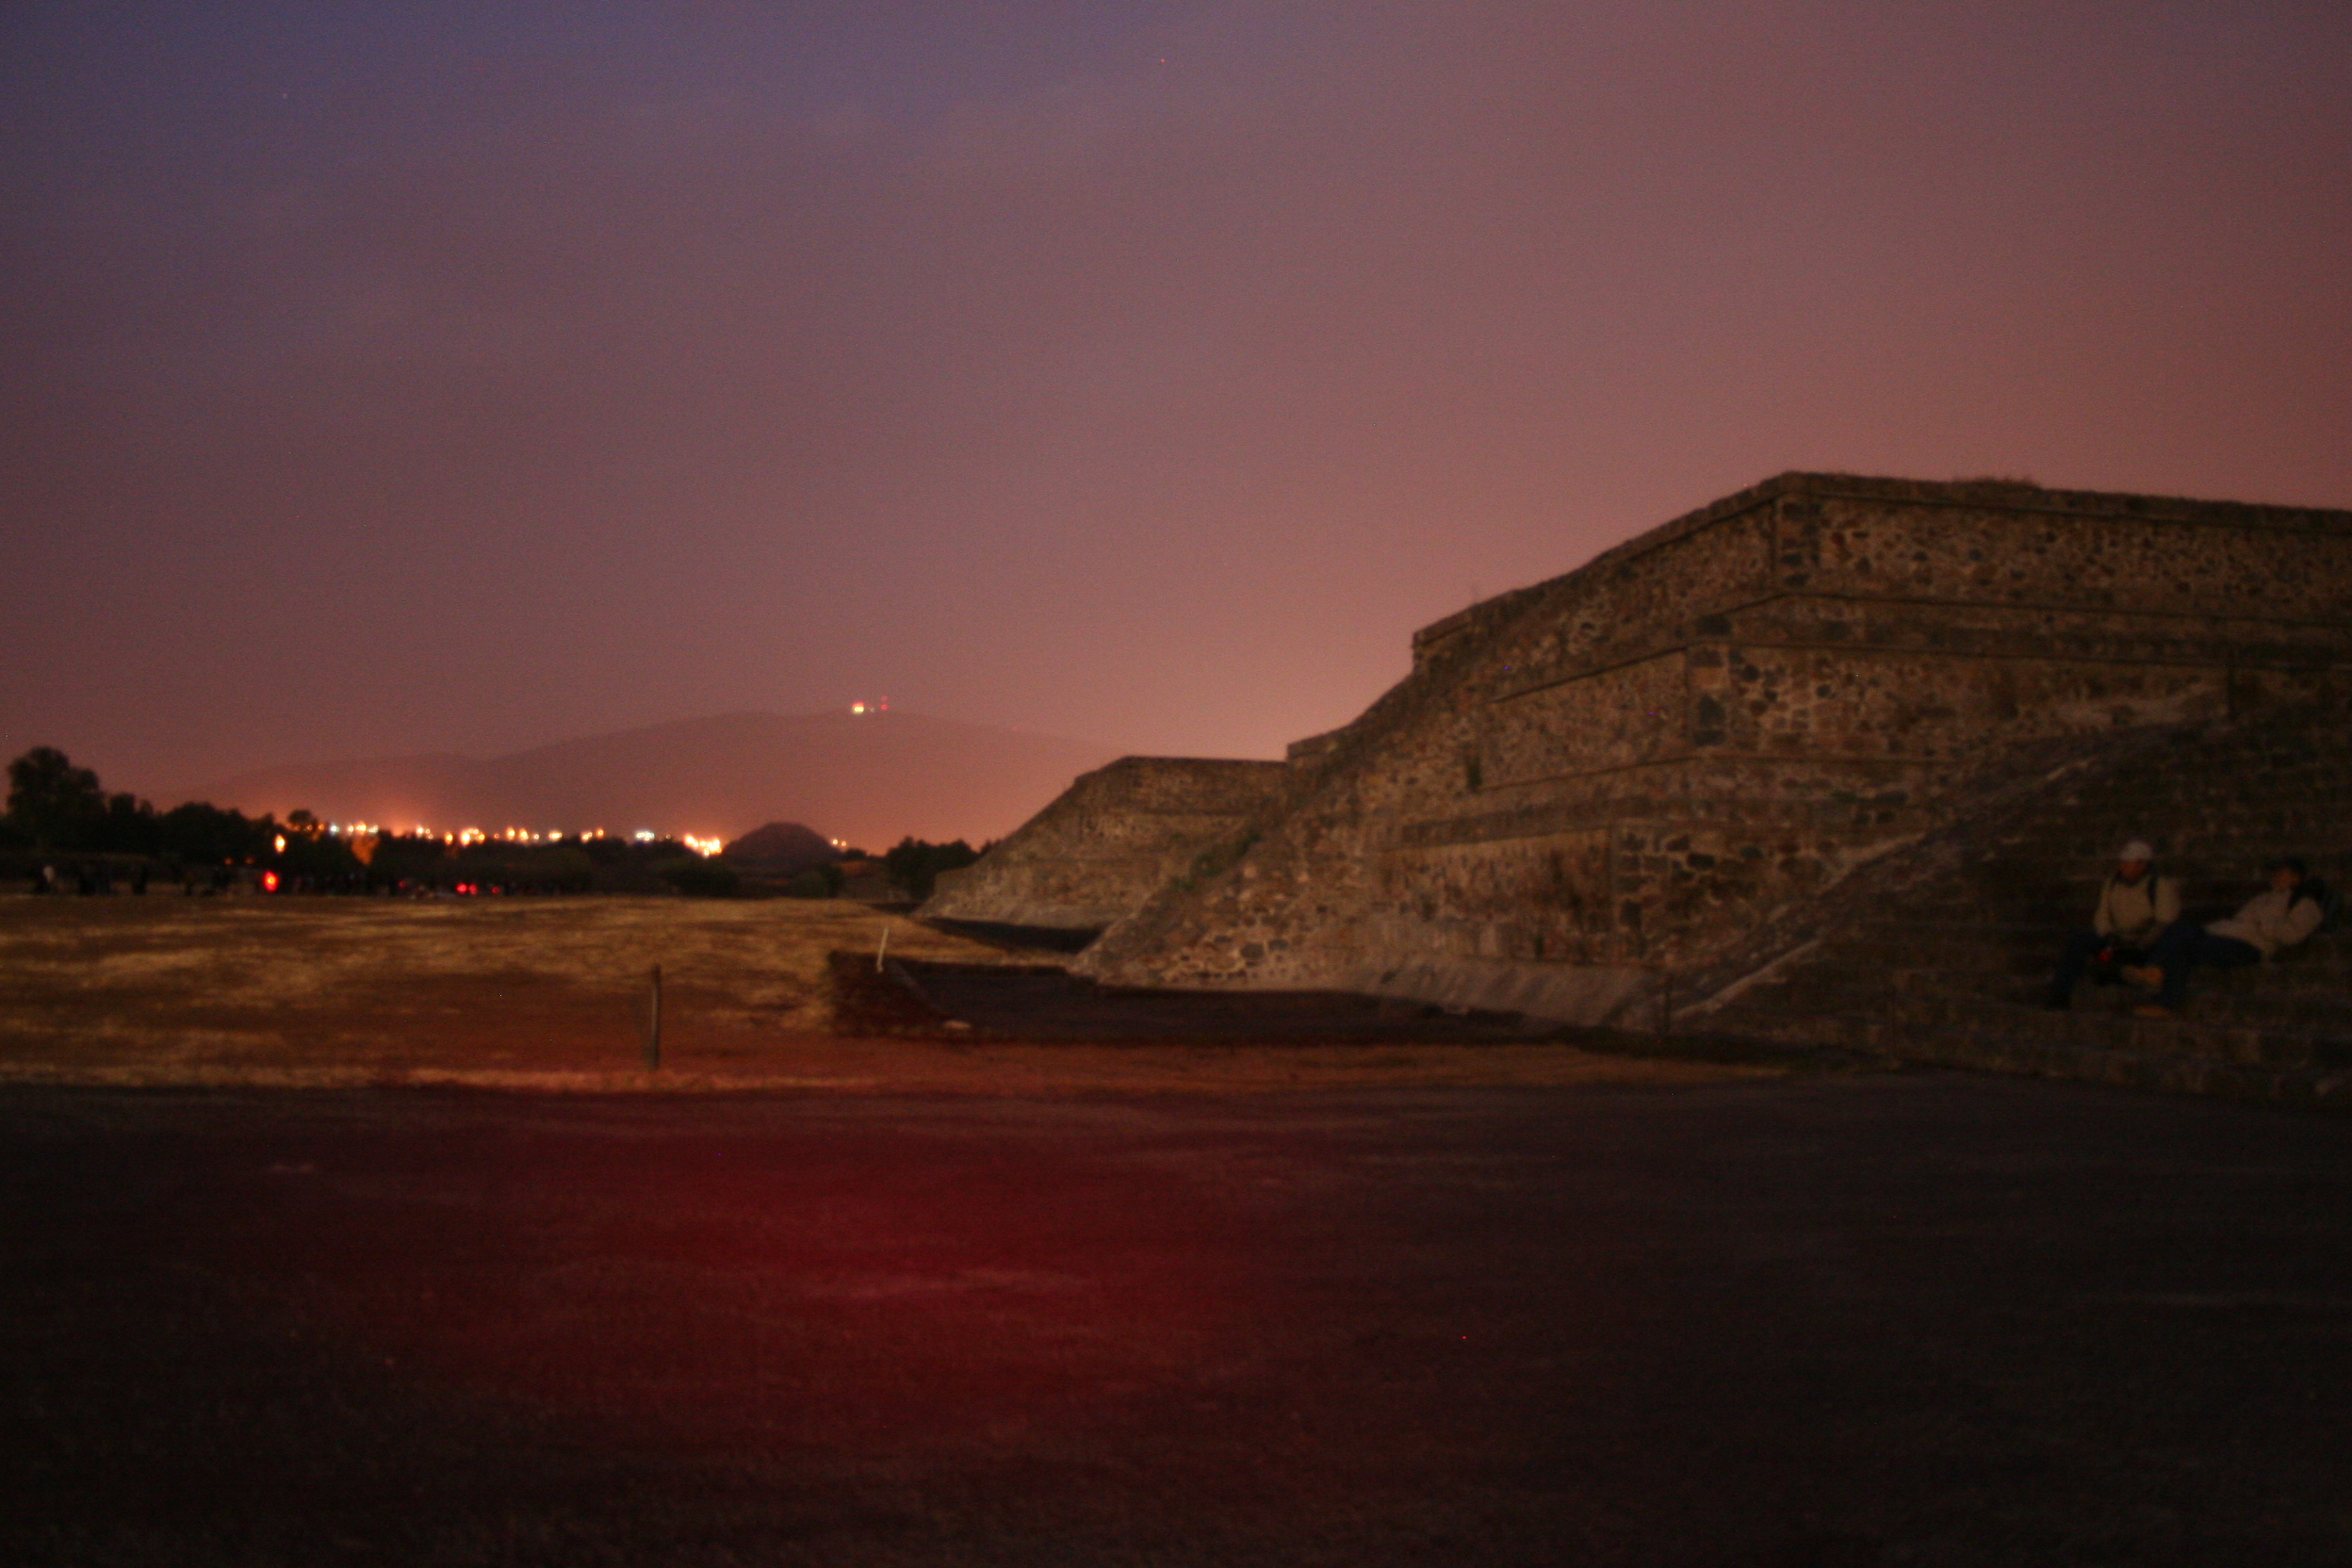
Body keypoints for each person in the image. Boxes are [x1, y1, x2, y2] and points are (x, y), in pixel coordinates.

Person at [2125, 858, 2326, 1019]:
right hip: (2225, 936)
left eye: (2281, 872)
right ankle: (2154, 974)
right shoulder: (2263, 898)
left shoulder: (2304, 904)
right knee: (2179, 929)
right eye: (2275, 872)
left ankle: (2161, 991)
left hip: (2250, 947)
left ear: (2295, 878)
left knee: (2184, 943)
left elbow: (2291, 936)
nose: (2275, 876)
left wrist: (2267, 922)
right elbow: (2238, 921)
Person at [2043, 840, 2178, 1009]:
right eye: (2123, 862)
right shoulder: (2113, 883)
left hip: (2145, 944)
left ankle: (2131, 975)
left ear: (2143, 865)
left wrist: (2144, 941)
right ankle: (2060, 993)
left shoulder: (2159, 886)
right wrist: (2108, 934)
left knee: (2159, 952)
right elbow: (2103, 914)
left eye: (2129, 863)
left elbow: (2164, 920)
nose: (2123, 867)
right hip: (2116, 942)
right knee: (2081, 942)